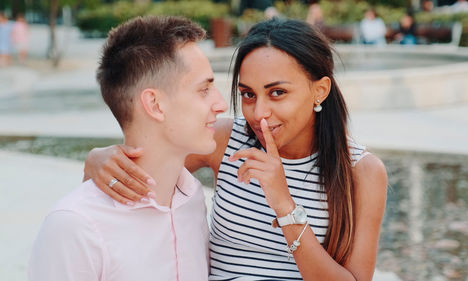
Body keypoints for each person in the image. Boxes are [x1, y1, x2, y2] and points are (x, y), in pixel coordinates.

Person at [85, 18, 388, 281]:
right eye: (248, 94)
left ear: (319, 90)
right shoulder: (226, 139)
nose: (259, 113)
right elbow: (139, 169)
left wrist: (285, 205)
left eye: (278, 93)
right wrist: (99, 159)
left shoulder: (362, 171)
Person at [29, 16, 228, 281]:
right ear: (155, 104)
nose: (221, 104)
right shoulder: (75, 225)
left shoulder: (191, 200)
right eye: (203, 90)